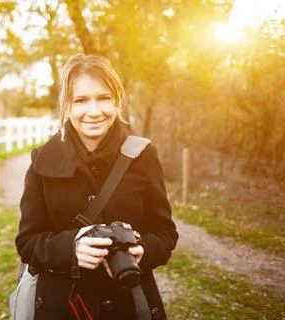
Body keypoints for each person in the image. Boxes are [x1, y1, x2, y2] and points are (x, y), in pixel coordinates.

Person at [15, 54, 178, 320]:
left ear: (117, 101)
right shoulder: (42, 160)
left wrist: (143, 251)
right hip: (62, 307)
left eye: (103, 98)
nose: (94, 111)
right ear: (66, 106)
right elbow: (27, 242)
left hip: (128, 304)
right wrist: (71, 248)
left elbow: (164, 232)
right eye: (81, 100)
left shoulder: (143, 155)